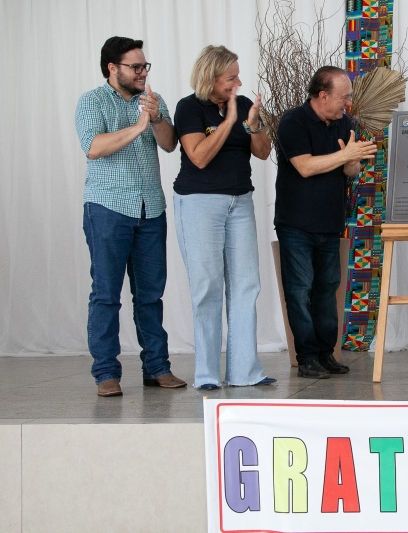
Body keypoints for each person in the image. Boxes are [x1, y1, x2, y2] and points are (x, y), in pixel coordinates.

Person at [75, 36, 186, 397]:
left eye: (145, 66)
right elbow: (93, 147)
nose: (142, 72)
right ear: (113, 68)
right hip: (107, 209)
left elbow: (169, 144)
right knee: (106, 294)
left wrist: (154, 120)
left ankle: (157, 368)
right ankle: (106, 373)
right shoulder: (91, 102)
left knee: (151, 294)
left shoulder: (153, 100)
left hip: (150, 209)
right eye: (135, 67)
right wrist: (137, 127)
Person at [173, 45, 276, 391]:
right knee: (207, 287)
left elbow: (263, 152)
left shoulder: (244, 104)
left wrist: (252, 124)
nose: (239, 82)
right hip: (199, 203)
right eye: (231, 77)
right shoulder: (188, 108)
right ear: (211, 78)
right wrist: (229, 122)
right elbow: (198, 157)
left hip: (240, 201)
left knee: (247, 284)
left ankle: (245, 371)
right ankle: (207, 374)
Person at [275, 66, 377, 378]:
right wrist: (345, 156)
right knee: (300, 289)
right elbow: (304, 167)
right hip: (296, 223)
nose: (348, 103)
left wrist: (353, 159)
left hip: (331, 222)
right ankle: (306, 357)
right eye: (343, 97)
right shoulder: (293, 122)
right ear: (322, 95)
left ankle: (325, 353)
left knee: (327, 289)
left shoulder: (345, 123)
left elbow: (350, 171)